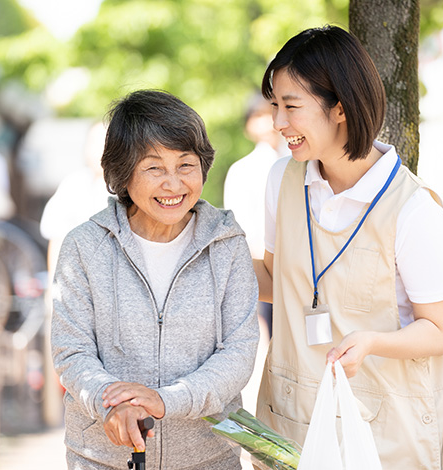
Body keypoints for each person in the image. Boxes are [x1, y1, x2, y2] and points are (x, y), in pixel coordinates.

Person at [253, 26, 443, 469]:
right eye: (275, 106)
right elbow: (275, 280)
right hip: (291, 422)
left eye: (291, 106)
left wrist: (371, 342)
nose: (278, 123)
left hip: (379, 434)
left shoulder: (414, 209)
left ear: (340, 108)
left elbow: (440, 332)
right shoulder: (283, 180)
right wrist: (194, 250)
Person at [50, 89, 260, 470]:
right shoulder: (84, 246)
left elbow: (240, 351)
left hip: (208, 458)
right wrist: (108, 402)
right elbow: (72, 351)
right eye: (154, 167)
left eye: (185, 165)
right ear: (123, 172)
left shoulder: (226, 243)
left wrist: (165, 401)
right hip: (102, 460)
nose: (174, 184)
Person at [224, 93, 287, 338]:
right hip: (261, 266)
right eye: (258, 115)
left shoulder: (299, 162)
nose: (267, 122)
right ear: (248, 125)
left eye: (270, 112)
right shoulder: (243, 170)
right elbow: (241, 226)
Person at [39, 121, 111, 272]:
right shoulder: (74, 184)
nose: (99, 149)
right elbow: (57, 238)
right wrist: (53, 289)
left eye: (105, 142)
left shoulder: (131, 188)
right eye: (94, 142)